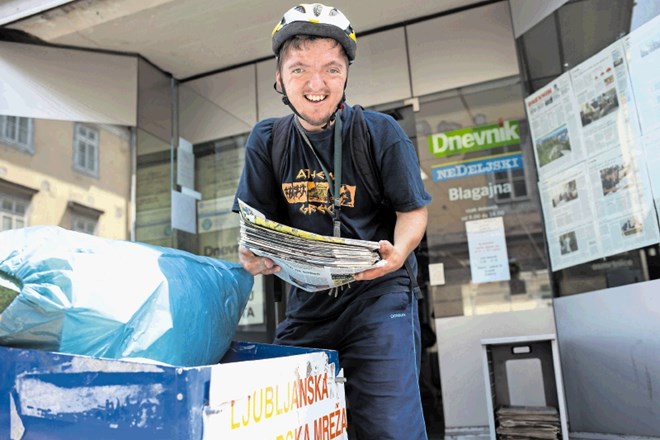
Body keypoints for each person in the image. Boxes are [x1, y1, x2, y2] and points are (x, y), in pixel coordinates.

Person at [232, 3, 431, 439]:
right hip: (308, 302)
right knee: (287, 419)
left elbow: (412, 211)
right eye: (299, 69)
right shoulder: (266, 140)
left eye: (331, 69)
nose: (316, 83)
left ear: (345, 77)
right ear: (280, 78)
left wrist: (399, 253)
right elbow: (253, 226)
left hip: (378, 294)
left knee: (386, 425)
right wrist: (250, 255)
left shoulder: (381, 132)